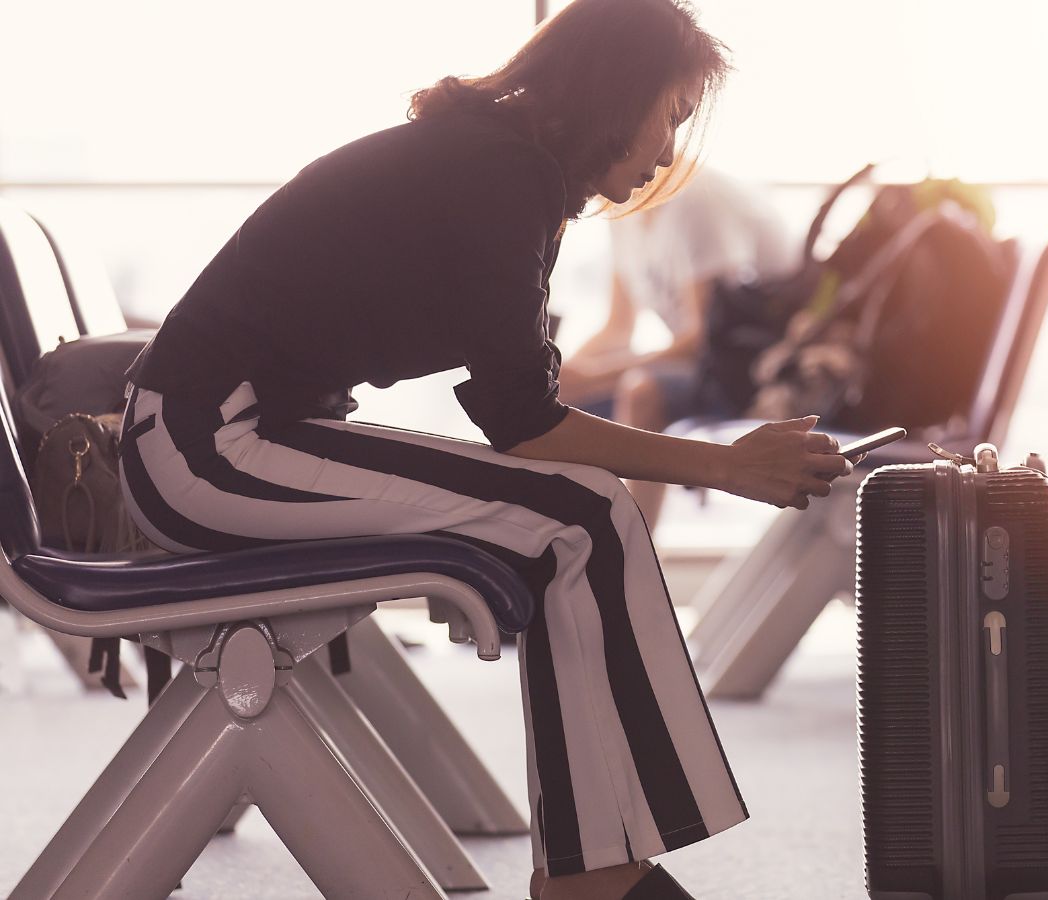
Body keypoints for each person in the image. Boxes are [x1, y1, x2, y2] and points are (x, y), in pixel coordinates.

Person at [117, 2, 850, 898]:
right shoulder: (500, 176)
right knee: (580, 512)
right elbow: (523, 421)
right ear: (617, 93)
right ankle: (594, 874)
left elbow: (521, 402)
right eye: (671, 114)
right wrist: (729, 466)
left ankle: (599, 864)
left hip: (245, 435)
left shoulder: (501, 166)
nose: (668, 152)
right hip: (206, 449)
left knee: (583, 509)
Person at [563, 167, 796, 528]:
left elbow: (702, 339)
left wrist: (593, 375)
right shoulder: (622, 205)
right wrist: (559, 373)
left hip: (756, 368)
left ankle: (633, 549)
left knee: (642, 392)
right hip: (708, 361)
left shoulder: (696, 200)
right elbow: (618, 328)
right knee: (556, 401)